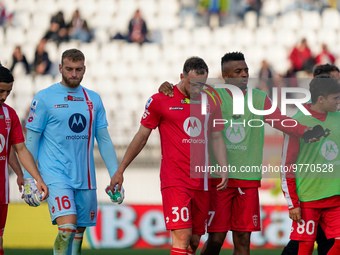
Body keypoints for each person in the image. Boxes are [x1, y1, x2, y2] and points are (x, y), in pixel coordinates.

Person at [159, 52, 317, 255]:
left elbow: (281, 120)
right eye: (238, 71)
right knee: (216, 239)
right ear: (225, 75)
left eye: (246, 70)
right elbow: (184, 87)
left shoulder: (259, 98)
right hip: (219, 180)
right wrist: (166, 87)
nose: (244, 75)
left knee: (243, 241)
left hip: (247, 180)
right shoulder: (212, 95)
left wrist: (305, 131)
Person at [110, 57, 228, 255]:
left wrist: (224, 167)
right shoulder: (160, 99)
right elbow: (141, 136)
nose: (198, 89)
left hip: (202, 181)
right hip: (175, 180)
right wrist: (121, 169)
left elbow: (216, 137)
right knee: (181, 238)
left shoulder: (212, 97)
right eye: (193, 84)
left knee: (193, 242)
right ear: (182, 77)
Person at [22, 49, 120, 255]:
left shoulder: (93, 99)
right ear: (60, 68)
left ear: (84, 69)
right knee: (67, 228)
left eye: (78, 69)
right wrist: (29, 178)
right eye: (69, 69)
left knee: (77, 233)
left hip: (85, 177)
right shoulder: (44, 98)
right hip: (55, 174)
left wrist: (115, 174)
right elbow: (30, 142)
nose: (74, 74)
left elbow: (103, 139)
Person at [281, 64, 340, 255]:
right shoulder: (297, 123)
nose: (339, 101)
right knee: (303, 249)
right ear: (321, 99)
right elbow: (286, 166)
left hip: (335, 199)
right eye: (336, 98)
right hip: (308, 200)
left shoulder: (338, 118)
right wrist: (293, 204)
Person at [0, 64, 48, 255]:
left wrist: (33, 177)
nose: (4, 96)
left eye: (8, 92)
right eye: (1, 91)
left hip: (1, 191)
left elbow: (18, 148)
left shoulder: (9, 114)